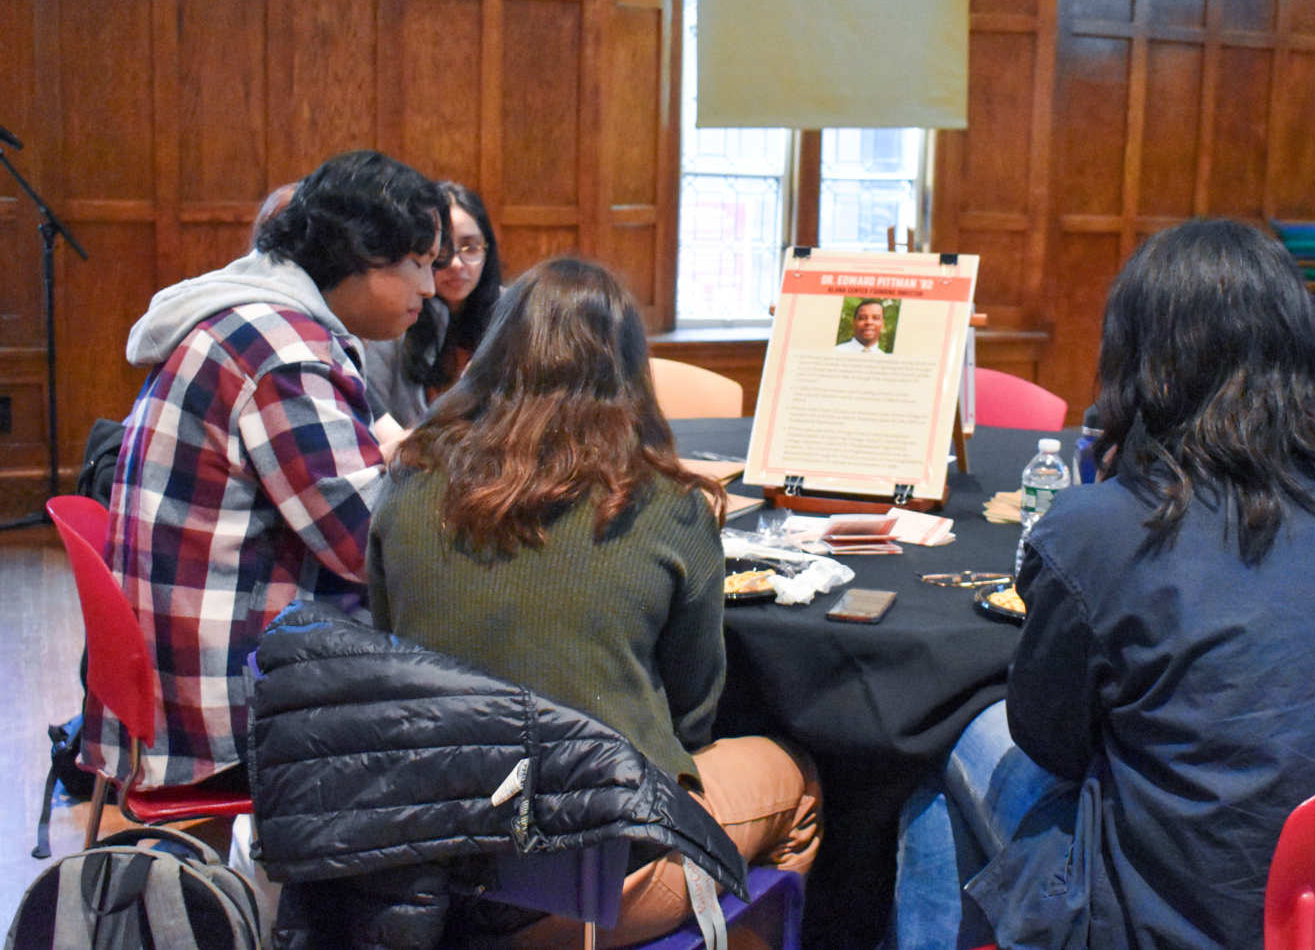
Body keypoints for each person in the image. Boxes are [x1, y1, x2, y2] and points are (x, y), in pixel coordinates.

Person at [893, 218, 1315, 949]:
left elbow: (1049, 738)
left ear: (1140, 359)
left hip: (1189, 916)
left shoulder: (1102, 526)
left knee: (943, 764)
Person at [367, 257, 820, 946]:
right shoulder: (668, 506)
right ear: (629, 370)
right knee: (799, 780)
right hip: (591, 881)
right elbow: (693, 716)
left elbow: (389, 645)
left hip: (426, 867)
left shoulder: (405, 487)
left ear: (494, 355)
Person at [81, 149, 449, 791]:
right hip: (222, 701)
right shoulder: (282, 353)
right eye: (415, 262)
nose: (429, 287)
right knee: (484, 697)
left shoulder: (249, 317)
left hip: (184, 670)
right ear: (355, 254)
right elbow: (369, 545)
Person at [364, 180, 502, 427]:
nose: (457, 265)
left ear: (487, 250)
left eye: (470, 247)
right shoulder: (390, 319)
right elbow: (372, 414)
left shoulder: (513, 312)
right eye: (443, 250)